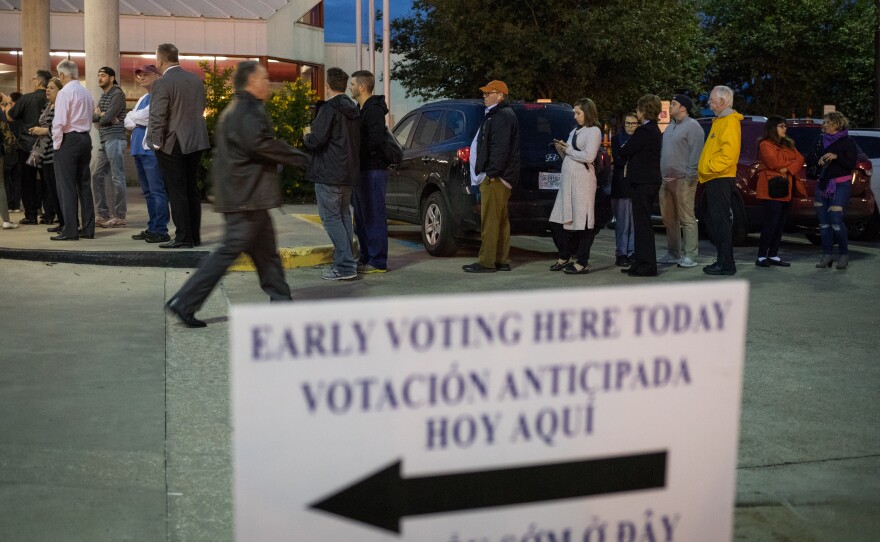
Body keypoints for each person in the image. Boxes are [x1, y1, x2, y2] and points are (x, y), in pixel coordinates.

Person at [166, 61, 310, 328]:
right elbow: (260, 144)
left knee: (267, 255)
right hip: (246, 197)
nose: (268, 84)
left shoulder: (241, 108)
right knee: (227, 253)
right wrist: (302, 159)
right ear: (251, 82)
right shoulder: (247, 109)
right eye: (264, 79)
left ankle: (282, 304)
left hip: (248, 196)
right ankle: (184, 302)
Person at [148, 43, 210, 249]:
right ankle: (194, 236)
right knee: (191, 188)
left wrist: (155, 143)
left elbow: (158, 116)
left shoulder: (161, 82)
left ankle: (183, 238)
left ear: (161, 60)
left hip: (172, 142)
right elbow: (202, 107)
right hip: (196, 140)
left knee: (176, 191)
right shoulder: (195, 79)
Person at [303, 67, 361, 280]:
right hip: (348, 173)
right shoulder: (353, 109)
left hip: (329, 172)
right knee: (344, 216)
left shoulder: (328, 109)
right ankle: (348, 261)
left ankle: (345, 266)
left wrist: (307, 136)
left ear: (327, 86)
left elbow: (317, 140)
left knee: (331, 219)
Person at [462, 79, 520, 273]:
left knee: (490, 221)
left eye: (489, 93)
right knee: (501, 220)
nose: (484, 96)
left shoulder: (501, 116)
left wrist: (492, 173)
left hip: (497, 177)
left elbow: (500, 148)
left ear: (500, 95)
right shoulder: (500, 114)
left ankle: (487, 261)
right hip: (502, 176)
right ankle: (501, 259)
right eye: (484, 93)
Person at [548, 98, 602, 274]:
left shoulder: (594, 131)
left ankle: (582, 261)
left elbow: (588, 156)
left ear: (587, 113)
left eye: (578, 113)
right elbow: (570, 157)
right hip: (568, 182)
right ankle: (564, 256)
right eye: (574, 113)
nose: (575, 116)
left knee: (583, 222)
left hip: (582, 182)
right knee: (557, 220)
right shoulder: (574, 131)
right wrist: (561, 149)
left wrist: (569, 150)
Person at [697, 85, 743, 276]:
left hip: (720, 178)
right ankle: (724, 262)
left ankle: (726, 264)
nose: (709, 102)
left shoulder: (729, 122)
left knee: (721, 222)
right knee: (717, 222)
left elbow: (728, 155)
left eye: (712, 99)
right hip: (715, 178)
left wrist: (707, 167)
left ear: (723, 101)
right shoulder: (721, 121)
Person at [616, 94, 662, 277]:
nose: (636, 113)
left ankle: (646, 265)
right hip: (647, 182)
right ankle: (639, 262)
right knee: (641, 223)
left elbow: (626, 150)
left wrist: (623, 151)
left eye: (638, 109)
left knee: (642, 225)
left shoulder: (645, 131)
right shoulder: (653, 130)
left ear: (643, 110)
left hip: (644, 182)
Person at [805, 111, 858, 270]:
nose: (824, 125)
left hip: (841, 185)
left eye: (827, 122)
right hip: (822, 183)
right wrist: (818, 159)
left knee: (835, 220)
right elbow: (809, 159)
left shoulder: (847, 141)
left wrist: (836, 156)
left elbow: (850, 164)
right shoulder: (820, 140)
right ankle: (827, 255)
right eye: (824, 122)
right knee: (823, 224)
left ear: (837, 124)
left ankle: (843, 254)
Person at [349, 69, 390, 274]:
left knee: (373, 215)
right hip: (362, 169)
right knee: (362, 218)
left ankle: (378, 261)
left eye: (353, 84)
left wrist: (356, 150)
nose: (351, 87)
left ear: (362, 87)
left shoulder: (373, 110)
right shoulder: (361, 108)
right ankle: (366, 257)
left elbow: (375, 140)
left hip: (373, 170)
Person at [125, 64, 171, 243]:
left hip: (150, 150)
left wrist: (134, 118)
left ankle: (161, 229)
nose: (141, 78)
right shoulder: (144, 97)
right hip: (138, 149)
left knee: (157, 191)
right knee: (148, 192)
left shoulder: (159, 96)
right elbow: (128, 121)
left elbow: (144, 117)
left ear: (157, 76)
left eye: (146, 74)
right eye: (139, 75)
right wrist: (135, 118)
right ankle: (152, 227)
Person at [51, 59, 95, 241]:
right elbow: (92, 115)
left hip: (69, 140)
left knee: (66, 186)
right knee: (84, 185)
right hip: (85, 138)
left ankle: (70, 230)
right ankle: (88, 229)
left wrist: (57, 145)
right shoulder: (86, 92)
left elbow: (59, 121)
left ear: (62, 75)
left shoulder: (64, 92)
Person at [658, 94, 704, 268]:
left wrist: (690, 176)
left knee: (687, 218)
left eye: (674, 104)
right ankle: (673, 253)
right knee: (669, 219)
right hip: (666, 180)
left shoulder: (693, 127)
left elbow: (696, 153)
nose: (670, 107)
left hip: (683, 180)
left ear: (683, 107)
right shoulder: (670, 127)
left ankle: (691, 255)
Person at [755, 117, 804, 268]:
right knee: (771, 223)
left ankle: (774, 254)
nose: (785, 129)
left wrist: (787, 169)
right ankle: (762, 256)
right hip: (772, 188)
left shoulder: (788, 143)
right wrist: (789, 164)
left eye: (785, 126)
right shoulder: (765, 144)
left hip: (786, 188)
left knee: (780, 223)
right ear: (772, 128)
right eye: (781, 126)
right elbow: (774, 163)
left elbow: (800, 158)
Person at [4, 70, 49, 225]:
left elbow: (10, 116)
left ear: (38, 82)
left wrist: (7, 103)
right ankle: (49, 214)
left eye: (33, 79)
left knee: (28, 181)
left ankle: (31, 215)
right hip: (47, 145)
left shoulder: (26, 98)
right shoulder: (52, 99)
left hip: (27, 145)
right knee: (47, 180)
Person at [91, 66, 128, 228]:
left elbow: (106, 117)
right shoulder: (104, 95)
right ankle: (103, 214)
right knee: (96, 175)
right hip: (105, 140)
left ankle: (119, 216)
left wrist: (102, 115)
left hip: (115, 139)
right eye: (98, 75)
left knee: (117, 178)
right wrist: (101, 115)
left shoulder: (117, 94)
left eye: (103, 75)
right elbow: (94, 117)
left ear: (112, 78)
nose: (100, 78)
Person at [28, 77, 64, 231]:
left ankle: (66, 221)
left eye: (52, 88)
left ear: (60, 90)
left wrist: (44, 131)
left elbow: (60, 128)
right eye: (47, 87)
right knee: (50, 188)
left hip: (56, 151)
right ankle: (61, 221)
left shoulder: (61, 107)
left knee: (58, 189)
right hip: (45, 151)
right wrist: (37, 130)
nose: (48, 90)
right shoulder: (47, 106)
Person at [610, 113, 637, 266]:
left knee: (633, 222)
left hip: (633, 184)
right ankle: (621, 253)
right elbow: (618, 159)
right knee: (622, 223)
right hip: (621, 185)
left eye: (633, 123)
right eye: (627, 123)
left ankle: (632, 252)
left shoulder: (639, 139)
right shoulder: (616, 139)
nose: (630, 126)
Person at [1, 92, 22, 213]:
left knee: (6, 178)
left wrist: (7, 103)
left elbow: (8, 117)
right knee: (16, 178)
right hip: (18, 148)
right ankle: (16, 205)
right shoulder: (21, 113)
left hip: (8, 149)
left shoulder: (9, 114)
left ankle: (9, 205)